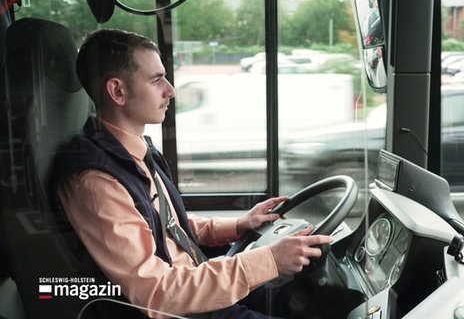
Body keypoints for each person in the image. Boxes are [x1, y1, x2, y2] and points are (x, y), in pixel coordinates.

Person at [49, 28, 333, 319]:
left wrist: (237, 225)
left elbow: (165, 227)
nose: (170, 89)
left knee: (312, 299)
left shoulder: (131, 151)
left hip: (195, 283)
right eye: (157, 80)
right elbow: (156, 292)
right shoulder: (95, 180)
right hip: (179, 307)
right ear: (118, 91)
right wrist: (270, 259)